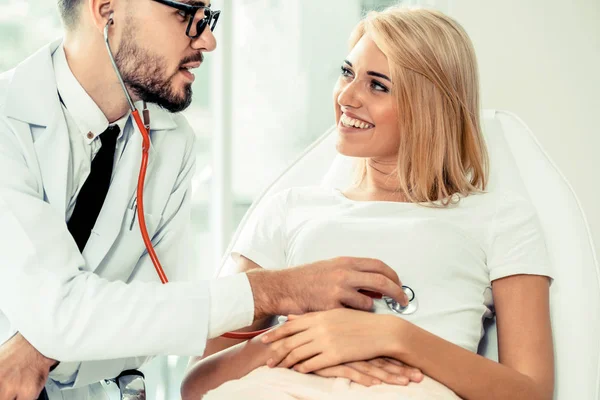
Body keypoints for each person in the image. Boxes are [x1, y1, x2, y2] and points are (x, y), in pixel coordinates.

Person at [0, 1, 408, 399]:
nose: (209, 40)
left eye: (207, 17)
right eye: (186, 14)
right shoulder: (7, 122)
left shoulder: (170, 140)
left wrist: (44, 348)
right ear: (107, 11)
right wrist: (274, 290)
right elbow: (73, 312)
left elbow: (152, 329)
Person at [181, 7, 555, 400]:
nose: (347, 96)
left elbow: (531, 392)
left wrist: (393, 336)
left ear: (428, 105)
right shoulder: (287, 211)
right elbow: (195, 385)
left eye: (378, 86)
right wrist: (291, 343)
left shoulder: (500, 220)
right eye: (347, 72)